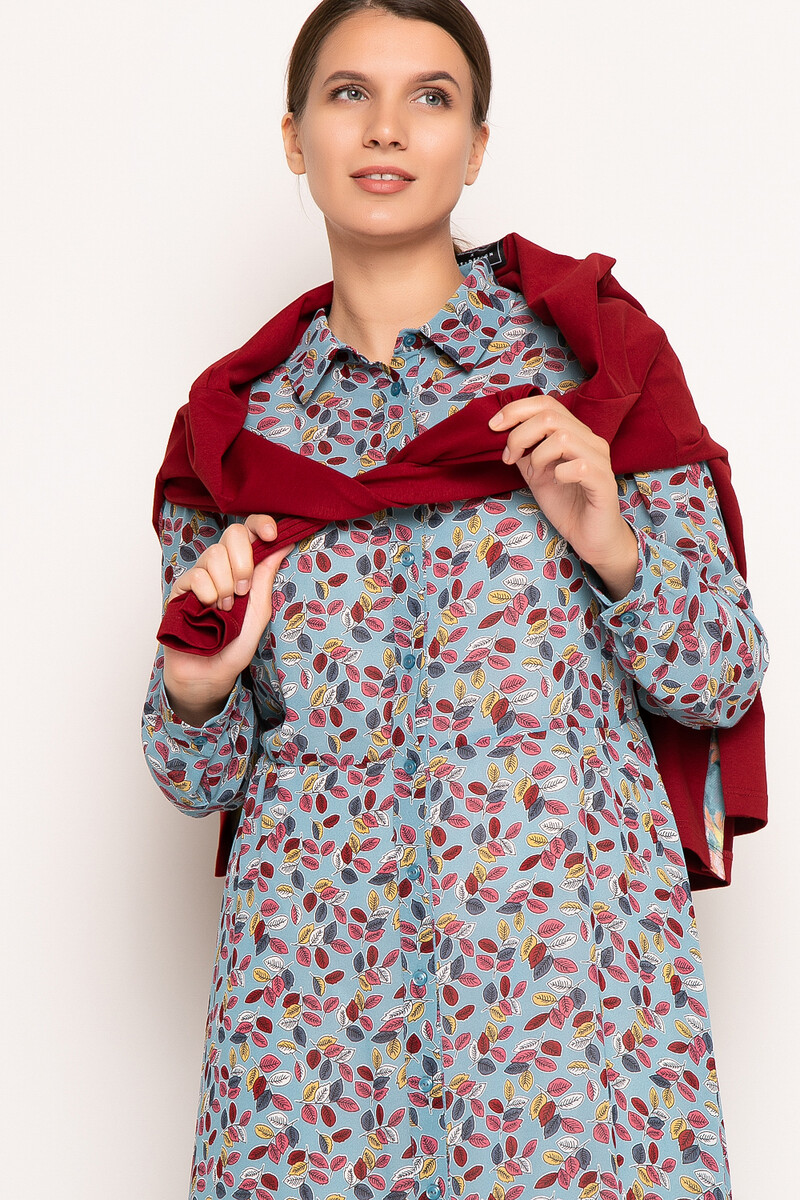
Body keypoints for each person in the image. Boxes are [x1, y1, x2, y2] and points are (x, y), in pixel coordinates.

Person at [141, 3, 768, 1198]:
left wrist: (612, 545)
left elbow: (719, 677)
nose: (385, 127)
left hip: (559, 995)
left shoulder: (592, 369)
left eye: (429, 97)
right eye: (347, 94)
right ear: (294, 137)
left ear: (475, 146)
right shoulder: (235, 431)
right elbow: (195, 780)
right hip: (312, 1008)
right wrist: (196, 690)